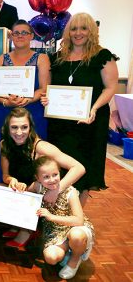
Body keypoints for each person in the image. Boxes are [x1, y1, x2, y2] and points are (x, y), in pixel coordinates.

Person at [0, 108, 85, 248]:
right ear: (7, 128)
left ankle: (27, 229)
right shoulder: (4, 144)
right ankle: (17, 225)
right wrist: (12, 181)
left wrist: (56, 190)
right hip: (23, 190)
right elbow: (5, 175)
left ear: (31, 127)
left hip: (38, 193)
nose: (19, 132)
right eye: (14, 127)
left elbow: (79, 168)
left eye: (24, 127)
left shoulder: (41, 147)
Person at [44, 12, 119, 206]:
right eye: (74, 28)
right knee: (59, 166)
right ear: (68, 31)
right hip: (60, 125)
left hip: (90, 123)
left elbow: (110, 88)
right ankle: (57, 211)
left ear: (91, 31)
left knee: (85, 166)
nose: (78, 33)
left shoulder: (102, 56)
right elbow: (50, 89)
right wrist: (46, 99)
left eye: (83, 28)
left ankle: (77, 215)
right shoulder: (57, 58)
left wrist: (93, 108)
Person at [0, 19, 50, 183]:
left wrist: (28, 99)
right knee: (1, 151)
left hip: (33, 112)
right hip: (4, 112)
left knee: (33, 152)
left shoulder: (41, 58)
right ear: (11, 36)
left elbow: (44, 88)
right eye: (16, 33)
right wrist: (7, 102)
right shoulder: (0, 59)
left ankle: (33, 191)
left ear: (31, 36)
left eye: (24, 33)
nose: (20, 36)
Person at [13, 156, 94, 280]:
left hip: (75, 227)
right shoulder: (37, 186)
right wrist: (20, 186)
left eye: (55, 174)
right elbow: (26, 199)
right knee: (51, 258)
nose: (52, 180)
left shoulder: (70, 192)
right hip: (54, 232)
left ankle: (75, 258)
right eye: (46, 177)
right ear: (37, 178)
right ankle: (70, 249)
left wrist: (51, 217)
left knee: (77, 236)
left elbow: (79, 220)